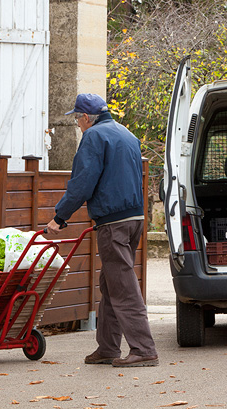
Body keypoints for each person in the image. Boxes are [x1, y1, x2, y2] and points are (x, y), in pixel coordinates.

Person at [46, 93, 158, 367]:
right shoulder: (127, 135)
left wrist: (59, 217)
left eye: (77, 120)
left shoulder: (94, 137)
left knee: (122, 286)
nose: (78, 125)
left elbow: (82, 183)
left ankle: (144, 349)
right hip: (134, 219)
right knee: (111, 284)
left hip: (113, 223)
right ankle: (108, 347)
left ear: (86, 117)